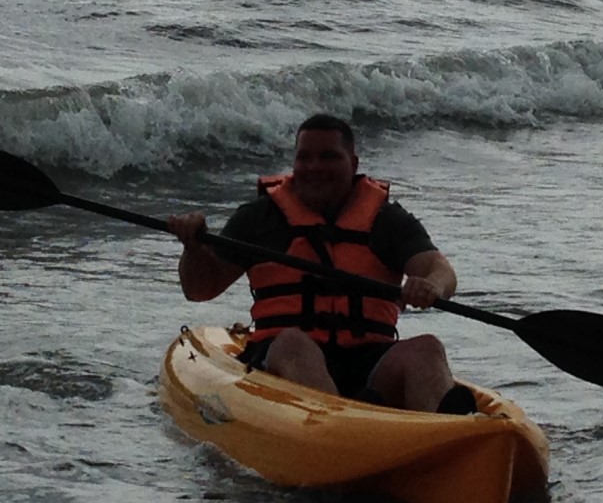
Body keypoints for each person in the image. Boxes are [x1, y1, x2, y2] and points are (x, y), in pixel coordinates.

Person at [165, 114, 475, 414]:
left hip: (370, 364)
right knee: (293, 343)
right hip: (281, 363)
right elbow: (199, 289)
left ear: (353, 164)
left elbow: (439, 269)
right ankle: (344, 426)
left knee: (427, 348)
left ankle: (448, 431)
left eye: (329, 157)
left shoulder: (387, 220)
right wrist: (193, 248)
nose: (314, 167)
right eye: (305, 158)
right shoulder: (258, 218)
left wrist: (431, 286)